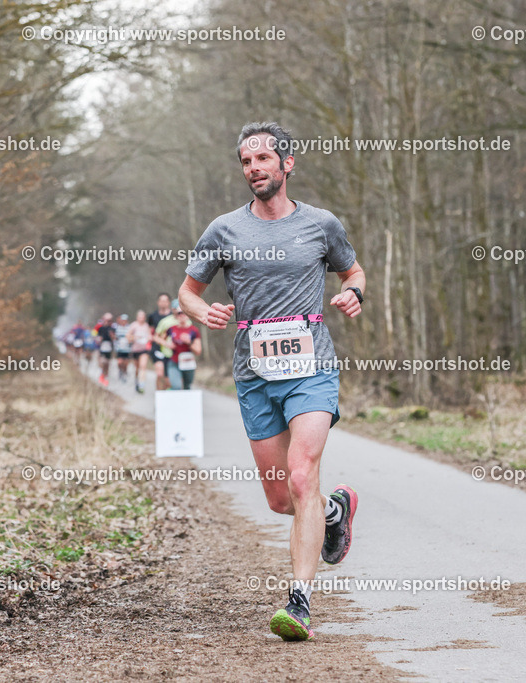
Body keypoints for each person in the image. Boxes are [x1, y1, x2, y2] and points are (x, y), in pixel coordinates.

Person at [179, 121, 365, 642]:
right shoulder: (223, 230)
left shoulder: (322, 224)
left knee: (302, 474)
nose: (253, 168)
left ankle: (299, 602)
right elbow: (187, 292)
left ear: (287, 164)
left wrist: (355, 294)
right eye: (245, 161)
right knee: (282, 499)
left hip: (311, 369)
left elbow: (353, 271)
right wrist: (203, 311)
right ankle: (335, 510)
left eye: (262, 159)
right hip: (254, 374)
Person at [161, 309, 201, 390]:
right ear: (176, 316)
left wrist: (189, 342)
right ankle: (170, 398)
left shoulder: (194, 330)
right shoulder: (171, 329)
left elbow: (198, 351)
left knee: (187, 386)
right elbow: (159, 338)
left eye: (184, 313)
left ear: (188, 316)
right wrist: (167, 344)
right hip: (174, 361)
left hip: (188, 362)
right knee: (176, 386)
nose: (182, 315)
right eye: (179, 313)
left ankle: (186, 402)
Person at [148, 293, 174, 390]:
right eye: (161, 301)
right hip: (156, 348)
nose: (163, 303)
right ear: (158, 302)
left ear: (169, 303)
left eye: (165, 301)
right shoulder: (152, 316)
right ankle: (159, 395)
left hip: (170, 349)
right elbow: (150, 330)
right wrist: (150, 338)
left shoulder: (173, 316)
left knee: (168, 378)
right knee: (159, 373)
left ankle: (166, 395)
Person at [127, 309, 153, 393]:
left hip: (144, 350)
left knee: (143, 366)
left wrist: (149, 339)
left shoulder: (146, 326)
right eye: (140, 316)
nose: (141, 318)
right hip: (135, 350)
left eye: (143, 316)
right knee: (137, 368)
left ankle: (142, 384)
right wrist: (135, 337)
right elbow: (128, 337)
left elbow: (150, 336)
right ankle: (137, 381)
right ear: (137, 317)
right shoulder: (134, 325)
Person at [94, 313, 116, 386]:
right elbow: (94, 335)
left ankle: (105, 376)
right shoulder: (100, 328)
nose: (108, 322)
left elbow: (115, 338)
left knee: (107, 363)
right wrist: (98, 339)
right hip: (102, 347)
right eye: (106, 320)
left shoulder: (112, 328)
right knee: (103, 362)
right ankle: (102, 375)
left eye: (109, 320)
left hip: (109, 348)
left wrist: (112, 336)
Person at [114, 314, 131, 381]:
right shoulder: (117, 328)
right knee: (120, 362)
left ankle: (124, 372)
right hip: (119, 348)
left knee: (126, 363)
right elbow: (115, 338)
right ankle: (120, 371)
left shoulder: (129, 328)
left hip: (127, 349)